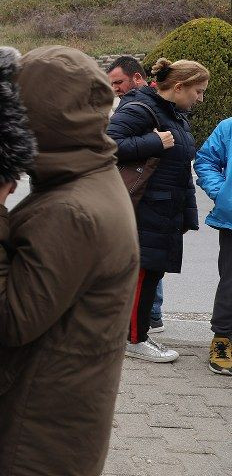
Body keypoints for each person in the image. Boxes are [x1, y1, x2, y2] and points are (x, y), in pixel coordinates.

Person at [0, 46, 139, 476]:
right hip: (48, 423)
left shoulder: (70, 210)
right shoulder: (88, 177)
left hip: (32, 435)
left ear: (34, 122)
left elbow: (12, 319)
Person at [108, 58, 209, 363]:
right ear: (179, 87)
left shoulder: (174, 115)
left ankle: (135, 335)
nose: (200, 98)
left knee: (150, 273)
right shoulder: (142, 109)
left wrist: (187, 214)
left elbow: (181, 170)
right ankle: (134, 340)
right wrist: (152, 141)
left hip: (164, 209)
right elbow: (107, 144)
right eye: (198, 91)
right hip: (144, 207)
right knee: (142, 274)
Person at [106, 55, 167, 332]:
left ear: (138, 78)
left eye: (119, 82)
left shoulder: (138, 106)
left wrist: (153, 141)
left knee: (142, 257)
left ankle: (145, 318)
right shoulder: (152, 104)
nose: (116, 89)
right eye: (112, 84)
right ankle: (149, 316)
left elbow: (111, 145)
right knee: (146, 256)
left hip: (139, 193)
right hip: (143, 192)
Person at [193, 117, 232, 376]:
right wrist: (222, 193)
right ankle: (222, 341)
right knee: (231, 282)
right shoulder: (229, 127)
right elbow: (205, 161)